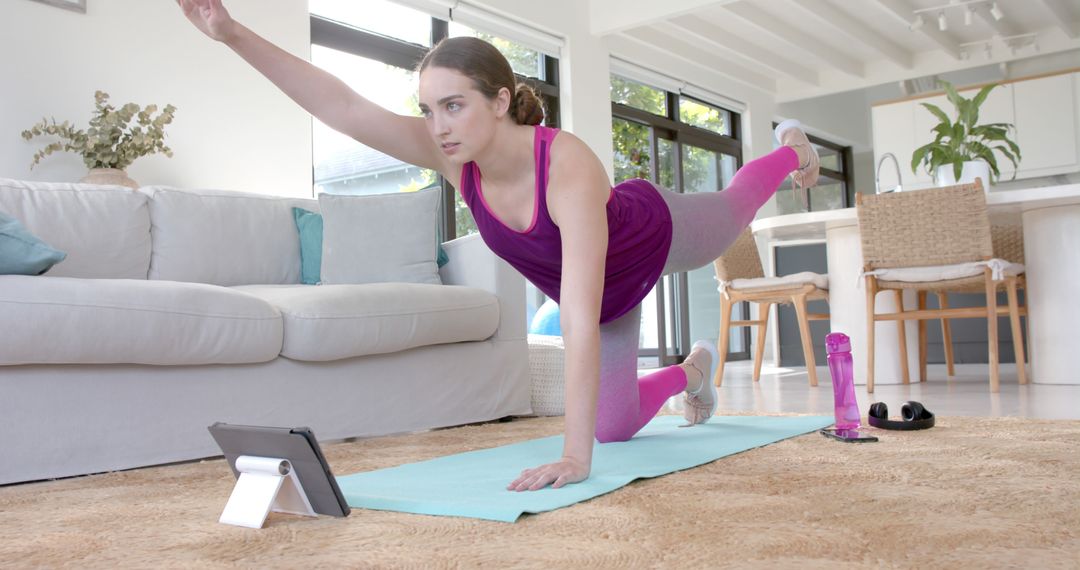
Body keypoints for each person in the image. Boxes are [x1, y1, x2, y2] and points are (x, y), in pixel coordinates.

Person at [178, 0, 820, 493]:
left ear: (502, 100)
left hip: (647, 236)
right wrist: (232, 33)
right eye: (429, 110)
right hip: (607, 301)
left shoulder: (565, 164)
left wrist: (573, 459)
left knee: (733, 215)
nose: (439, 126)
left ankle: (793, 145)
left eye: (453, 106)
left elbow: (575, 314)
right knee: (613, 427)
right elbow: (342, 106)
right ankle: (694, 371)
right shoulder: (454, 158)